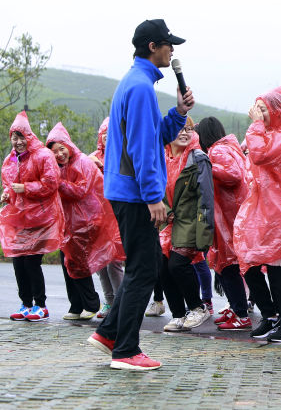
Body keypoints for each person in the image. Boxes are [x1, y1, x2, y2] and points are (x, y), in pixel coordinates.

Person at [87, 18, 194, 371]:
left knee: (138, 267)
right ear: (152, 47)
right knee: (145, 270)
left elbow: (154, 136)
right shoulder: (140, 88)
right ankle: (126, 350)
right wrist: (153, 197)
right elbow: (141, 149)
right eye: (168, 44)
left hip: (126, 190)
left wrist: (179, 113)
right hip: (135, 194)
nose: (172, 49)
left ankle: (109, 334)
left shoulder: (135, 82)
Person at [234, 87, 281, 342]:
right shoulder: (265, 134)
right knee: (248, 261)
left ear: (275, 111)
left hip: (280, 210)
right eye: (257, 109)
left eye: (263, 109)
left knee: (279, 267)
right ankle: (270, 315)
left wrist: (255, 126)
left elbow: (260, 156)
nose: (259, 113)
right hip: (261, 209)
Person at [46, 122, 124, 321]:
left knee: (101, 263)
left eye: (62, 148)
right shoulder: (57, 167)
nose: (59, 154)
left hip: (91, 222)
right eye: (54, 151)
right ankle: (85, 304)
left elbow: (81, 190)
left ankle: (109, 304)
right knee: (77, 264)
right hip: (70, 225)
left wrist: (58, 183)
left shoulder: (83, 162)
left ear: (68, 145)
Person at [1, 111, 65, 322]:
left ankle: (41, 305)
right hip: (19, 218)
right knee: (18, 262)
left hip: (40, 219)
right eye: (15, 137)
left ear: (29, 136)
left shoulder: (43, 155)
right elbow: (9, 184)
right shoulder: (11, 159)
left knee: (31, 262)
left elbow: (51, 184)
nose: (18, 142)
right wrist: (7, 193)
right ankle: (26, 304)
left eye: (22, 137)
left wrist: (25, 188)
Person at [158, 119, 215, 333]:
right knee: (162, 267)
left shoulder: (198, 158)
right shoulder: (161, 157)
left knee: (177, 265)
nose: (184, 133)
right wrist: (165, 210)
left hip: (191, 220)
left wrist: (205, 231)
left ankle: (198, 307)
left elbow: (206, 197)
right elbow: (154, 187)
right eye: (179, 129)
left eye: (188, 129)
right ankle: (178, 315)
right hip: (169, 222)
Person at [195, 116, 251, 331]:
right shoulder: (229, 147)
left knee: (228, 266)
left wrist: (206, 166)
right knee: (225, 265)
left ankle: (241, 314)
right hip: (232, 213)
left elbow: (233, 175)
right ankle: (236, 309)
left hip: (228, 215)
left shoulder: (217, 151)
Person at [88, 117, 125, 319]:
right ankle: (109, 302)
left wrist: (102, 168)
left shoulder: (122, 156)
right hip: (97, 218)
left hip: (117, 217)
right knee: (100, 263)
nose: (107, 137)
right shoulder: (92, 157)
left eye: (111, 134)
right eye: (104, 133)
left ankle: (121, 303)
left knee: (114, 262)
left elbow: (121, 183)